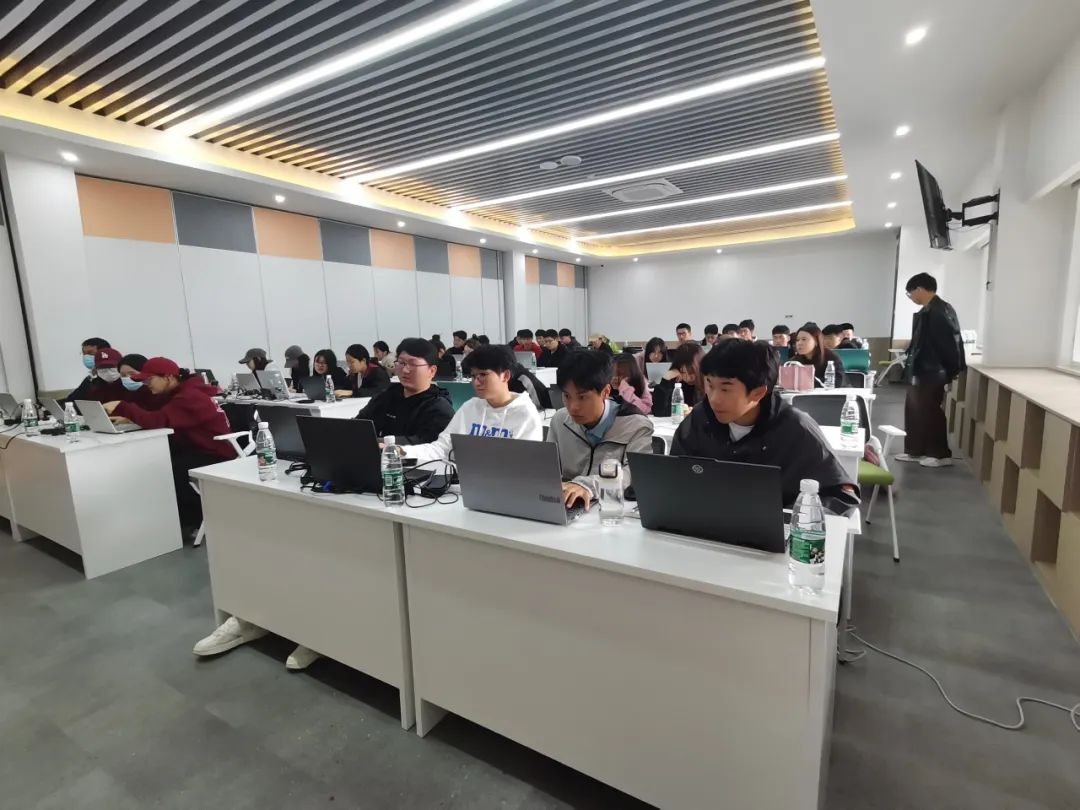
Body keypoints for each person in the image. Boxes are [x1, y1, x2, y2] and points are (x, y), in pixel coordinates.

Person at [670, 340, 859, 513]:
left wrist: (789, 518)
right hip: (707, 525)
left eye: (725, 389)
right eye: (710, 385)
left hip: (776, 533)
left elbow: (843, 495)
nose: (713, 399)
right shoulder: (700, 418)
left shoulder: (796, 428)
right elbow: (674, 476)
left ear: (758, 393)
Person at [102, 357, 233, 534]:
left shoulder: (190, 397)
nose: (146, 384)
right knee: (154, 461)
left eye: (149, 379)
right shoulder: (178, 394)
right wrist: (130, 418)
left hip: (214, 453)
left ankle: (191, 520)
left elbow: (157, 419)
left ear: (169, 377)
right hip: (195, 447)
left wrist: (122, 406)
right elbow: (163, 416)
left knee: (167, 469)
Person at [399, 345, 544, 463]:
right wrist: (403, 451)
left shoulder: (525, 415)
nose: (476, 382)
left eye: (483, 375)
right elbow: (442, 448)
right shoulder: (470, 407)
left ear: (505, 375)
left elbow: (524, 466)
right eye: (473, 376)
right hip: (463, 483)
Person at [547, 350, 654, 508]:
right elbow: (548, 469)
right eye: (567, 396)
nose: (573, 407)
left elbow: (635, 473)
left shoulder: (636, 425)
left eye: (582, 397)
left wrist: (587, 485)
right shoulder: (560, 420)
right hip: (567, 505)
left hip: (612, 510)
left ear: (605, 392)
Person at [898, 272, 965, 468]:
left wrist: (950, 371)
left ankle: (940, 454)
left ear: (919, 289)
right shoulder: (929, 310)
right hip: (922, 370)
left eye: (910, 293)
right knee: (914, 411)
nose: (911, 298)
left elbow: (949, 345)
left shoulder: (939, 311)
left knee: (930, 412)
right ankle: (916, 451)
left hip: (933, 371)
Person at [353, 338, 454, 444]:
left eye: (413, 364)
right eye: (401, 363)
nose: (405, 370)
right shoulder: (386, 396)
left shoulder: (439, 407)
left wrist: (385, 443)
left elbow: (430, 444)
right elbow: (359, 424)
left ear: (432, 371)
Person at [652, 341, 704, 417]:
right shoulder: (677, 381)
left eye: (691, 372)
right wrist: (665, 380)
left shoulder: (708, 382)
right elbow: (659, 412)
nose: (688, 377)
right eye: (683, 372)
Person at [791, 323, 846, 387]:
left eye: (804, 339)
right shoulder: (795, 361)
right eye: (797, 340)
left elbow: (838, 381)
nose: (799, 343)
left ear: (816, 341)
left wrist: (808, 382)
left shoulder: (831, 357)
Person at [65, 337, 112, 403]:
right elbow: (72, 399)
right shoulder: (90, 378)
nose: (86, 357)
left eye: (90, 353)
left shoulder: (114, 378)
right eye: (84, 354)